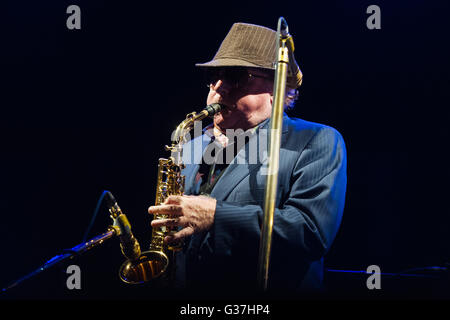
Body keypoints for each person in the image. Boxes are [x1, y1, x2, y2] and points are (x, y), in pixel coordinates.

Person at [148, 22, 347, 297]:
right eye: (215, 77)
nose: (219, 89)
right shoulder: (192, 146)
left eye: (236, 77)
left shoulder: (316, 140)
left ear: (277, 89)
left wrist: (216, 216)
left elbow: (310, 232)